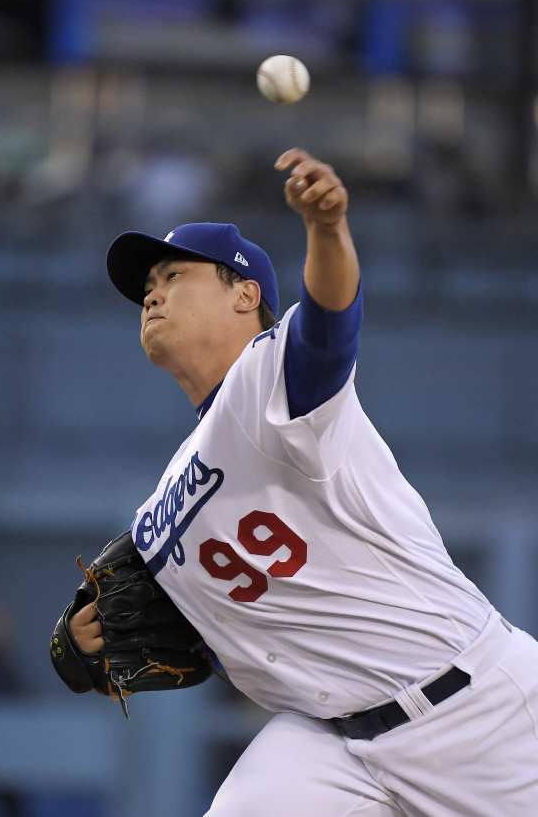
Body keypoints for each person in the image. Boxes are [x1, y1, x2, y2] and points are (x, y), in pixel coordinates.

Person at [70, 149, 538, 816]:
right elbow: (202, 637)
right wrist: (93, 636)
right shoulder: (157, 511)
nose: (152, 291)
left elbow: (327, 330)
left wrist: (328, 229)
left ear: (244, 293)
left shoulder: (271, 382)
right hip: (329, 741)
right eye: (148, 283)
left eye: (173, 274)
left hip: (477, 709)